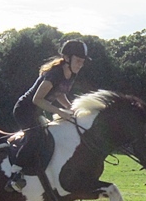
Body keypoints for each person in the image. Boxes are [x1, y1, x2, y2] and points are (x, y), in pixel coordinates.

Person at [6, 39, 90, 192]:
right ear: (67, 58)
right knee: (35, 136)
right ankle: (15, 175)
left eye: (82, 62)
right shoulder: (54, 74)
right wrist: (60, 112)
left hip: (37, 110)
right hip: (24, 110)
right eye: (78, 61)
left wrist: (70, 108)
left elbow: (60, 93)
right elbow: (37, 99)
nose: (80, 65)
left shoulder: (71, 74)